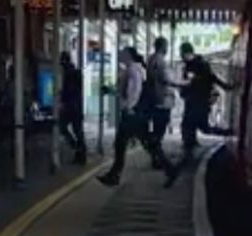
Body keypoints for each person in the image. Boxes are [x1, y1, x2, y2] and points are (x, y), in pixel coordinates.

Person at [164, 42, 231, 185]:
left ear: (187, 53)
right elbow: (213, 79)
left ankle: (176, 169)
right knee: (195, 131)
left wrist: (175, 84)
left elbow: (191, 83)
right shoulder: (199, 64)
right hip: (196, 104)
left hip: (197, 104)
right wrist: (226, 87)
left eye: (182, 53)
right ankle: (178, 167)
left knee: (196, 129)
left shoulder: (196, 65)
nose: (181, 56)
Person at [98, 47, 152, 186]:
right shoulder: (134, 69)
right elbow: (123, 91)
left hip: (132, 114)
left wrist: (129, 108)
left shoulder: (133, 70)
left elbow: (134, 91)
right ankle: (113, 175)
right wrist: (110, 90)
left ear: (128, 56)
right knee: (142, 142)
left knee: (122, 144)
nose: (120, 58)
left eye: (122, 55)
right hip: (135, 112)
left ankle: (114, 176)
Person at [142, 38, 176, 171]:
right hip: (162, 100)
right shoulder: (160, 60)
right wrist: (182, 83)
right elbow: (166, 79)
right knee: (159, 131)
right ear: (162, 47)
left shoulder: (150, 59)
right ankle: (157, 158)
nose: (167, 48)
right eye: (167, 46)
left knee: (157, 130)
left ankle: (156, 157)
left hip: (154, 99)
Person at [59, 52, 88, 164]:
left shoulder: (67, 73)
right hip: (77, 106)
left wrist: (62, 100)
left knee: (62, 126)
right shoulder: (77, 73)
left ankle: (76, 147)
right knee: (78, 131)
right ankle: (81, 154)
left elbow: (68, 91)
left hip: (70, 107)